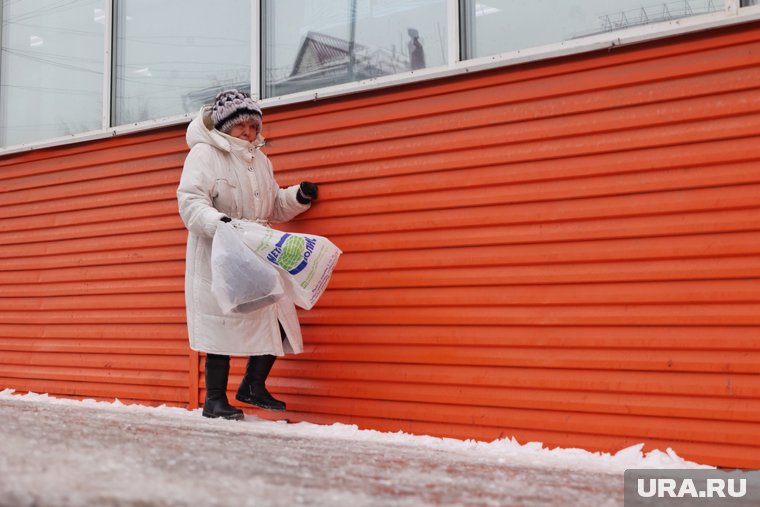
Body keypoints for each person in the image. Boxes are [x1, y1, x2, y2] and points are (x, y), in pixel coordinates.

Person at [177, 89, 318, 420]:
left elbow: (271, 206)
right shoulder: (204, 154)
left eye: (254, 126)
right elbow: (190, 202)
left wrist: (298, 197)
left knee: (277, 310)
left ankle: (253, 384)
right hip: (219, 249)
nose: (249, 132)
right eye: (241, 126)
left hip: (256, 246)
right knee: (221, 322)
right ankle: (214, 400)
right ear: (225, 126)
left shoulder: (260, 160)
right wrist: (218, 223)